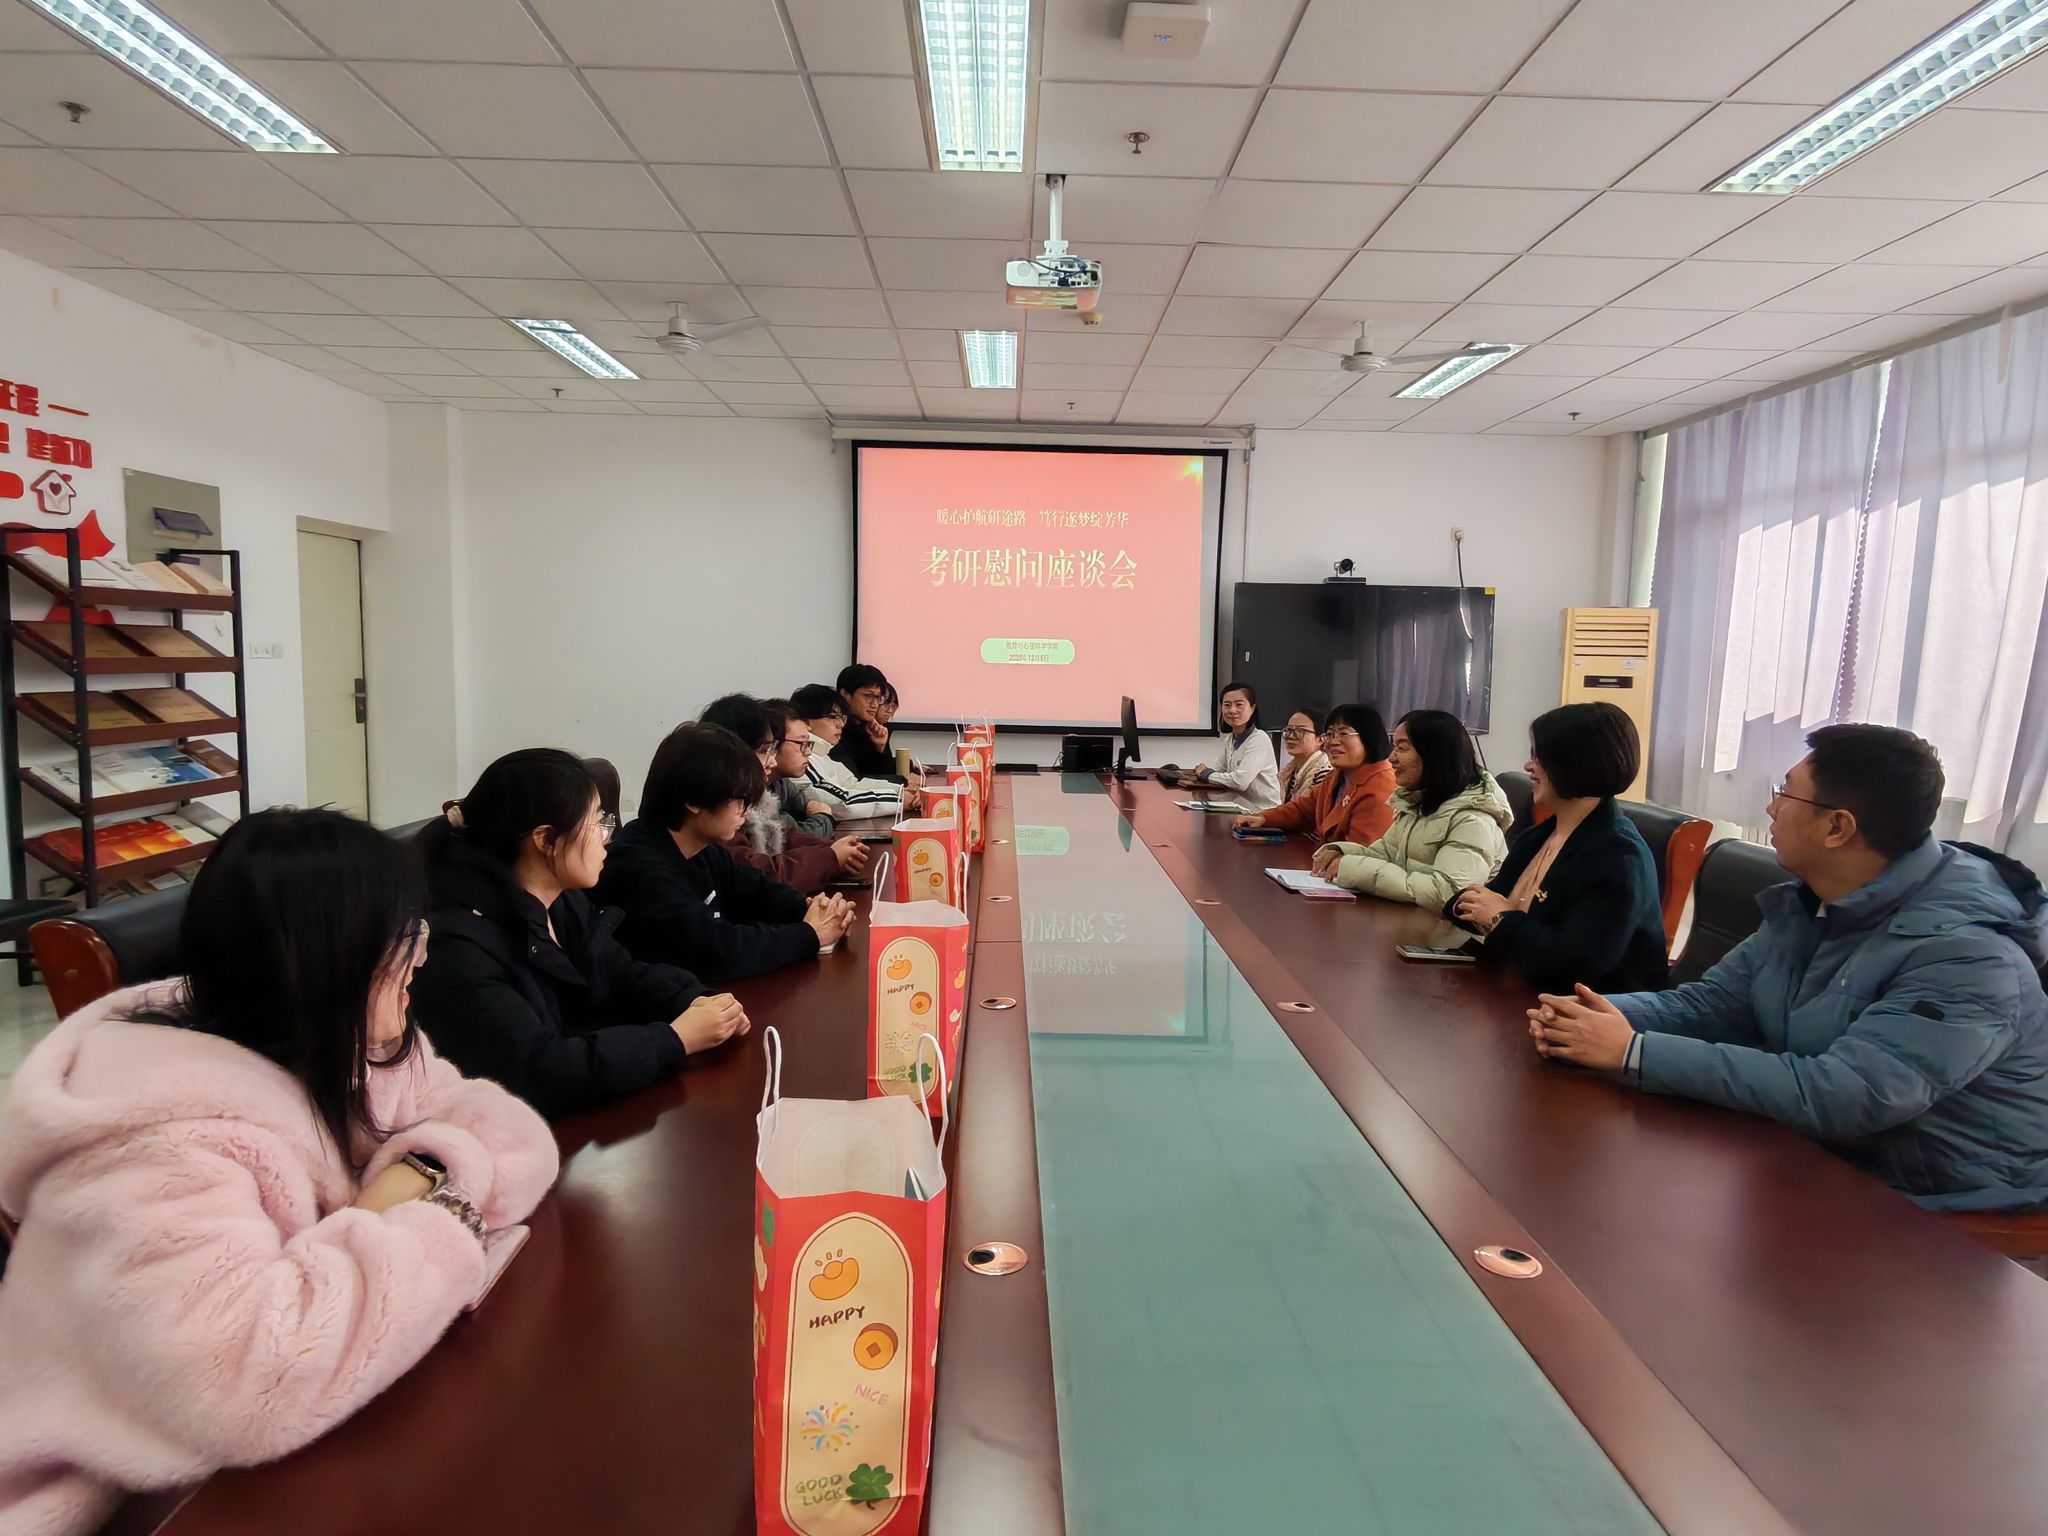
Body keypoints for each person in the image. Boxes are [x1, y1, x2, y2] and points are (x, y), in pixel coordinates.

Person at [0, 809, 560, 1535]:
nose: (420, 960)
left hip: (267, 1460)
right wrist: (429, 1214)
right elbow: (248, 1378)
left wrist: (417, 1172)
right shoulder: (151, 1141)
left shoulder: (349, 1042)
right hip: (120, 1499)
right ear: (324, 960)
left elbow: (512, 1134)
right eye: (403, 943)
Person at [1530, 724, 2048, 1212]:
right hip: (1812, 1154)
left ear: (1837, 827)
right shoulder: (1813, 903)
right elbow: (1709, 1005)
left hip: (1939, 1201)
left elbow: (1845, 1094)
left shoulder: (1971, 956)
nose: (1770, 807)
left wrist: (1632, 1051)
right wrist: (1583, 1014)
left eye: (1785, 793)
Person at [411, 749, 750, 1119]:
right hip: (503, 1131)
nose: (607, 836)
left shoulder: (560, 898)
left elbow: (619, 971)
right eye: (597, 821)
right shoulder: (455, 945)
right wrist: (674, 1040)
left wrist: (695, 1000)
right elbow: (539, 1071)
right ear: (545, 840)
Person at [597, 723, 854, 982]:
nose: (745, 811)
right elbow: (716, 950)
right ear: (693, 800)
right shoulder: (637, 864)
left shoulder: (704, 851)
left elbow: (760, 892)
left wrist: (818, 911)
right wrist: (810, 934)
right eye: (740, 799)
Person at [1445, 702, 1665, 995]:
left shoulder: (1619, 858)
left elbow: (1574, 965)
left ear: (1574, 763)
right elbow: (1483, 901)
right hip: (1521, 988)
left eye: (1538, 757)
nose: (1528, 766)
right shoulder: (1540, 836)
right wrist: (1471, 907)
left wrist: (1499, 919)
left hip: (1589, 1010)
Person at [1313, 709, 1513, 908]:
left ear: (1434, 754)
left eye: (1402, 748)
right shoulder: (1418, 802)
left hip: (1447, 927)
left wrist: (1353, 869)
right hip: (1414, 918)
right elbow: (1386, 853)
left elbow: (1449, 893)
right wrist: (1342, 853)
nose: (1391, 758)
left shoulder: (1473, 818)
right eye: (1393, 747)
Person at [701, 693, 866, 895]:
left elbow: (786, 834)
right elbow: (762, 878)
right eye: (765, 750)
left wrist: (833, 849)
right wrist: (830, 856)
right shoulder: (720, 810)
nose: (772, 760)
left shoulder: (759, 796)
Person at [1235, 703, 1394, 845]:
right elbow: (1303, 811)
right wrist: (1263, 818)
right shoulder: (1337, 776)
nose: (1333, 741)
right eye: (1330, 734)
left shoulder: (1380, 786)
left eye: (1343, 733)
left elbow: (1361, 851)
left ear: (1369, 737)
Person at [794, 682, 904, 822]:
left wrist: (900, 789)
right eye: (833, 717)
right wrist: (899, 800)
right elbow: (842, 803)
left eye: (842, 717)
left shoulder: (822, 754)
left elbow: (853, 784)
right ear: (805, 722)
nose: (840, 724)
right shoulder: (801, 758)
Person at [1189, 681, 1281, 809]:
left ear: (1252, 708)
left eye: (1239, 705)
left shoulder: (1259, 740)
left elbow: (1239, 782)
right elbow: (1219, 771)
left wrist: (1206, 774)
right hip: (1238, 807)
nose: (1232, 710)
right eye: (1227, 705)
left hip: (1262, 812)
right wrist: (1206, 773)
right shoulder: (1230, 738)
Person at [833, 663, 902, 783]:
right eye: (868, 696)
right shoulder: (835, 730)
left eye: (878, 698)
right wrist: (902, 781)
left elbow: (880, 774)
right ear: (845, 694)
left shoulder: (868, 729)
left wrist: (880, 748)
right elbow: (853, 780)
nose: (874, 705)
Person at [1277, 709, 1333, 803]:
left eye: (1300, 731)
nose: (1291, 736)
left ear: (1320, 739)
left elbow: (1314, 809)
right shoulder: (1288, 772)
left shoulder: (1324, 772)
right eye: (1288, 730)